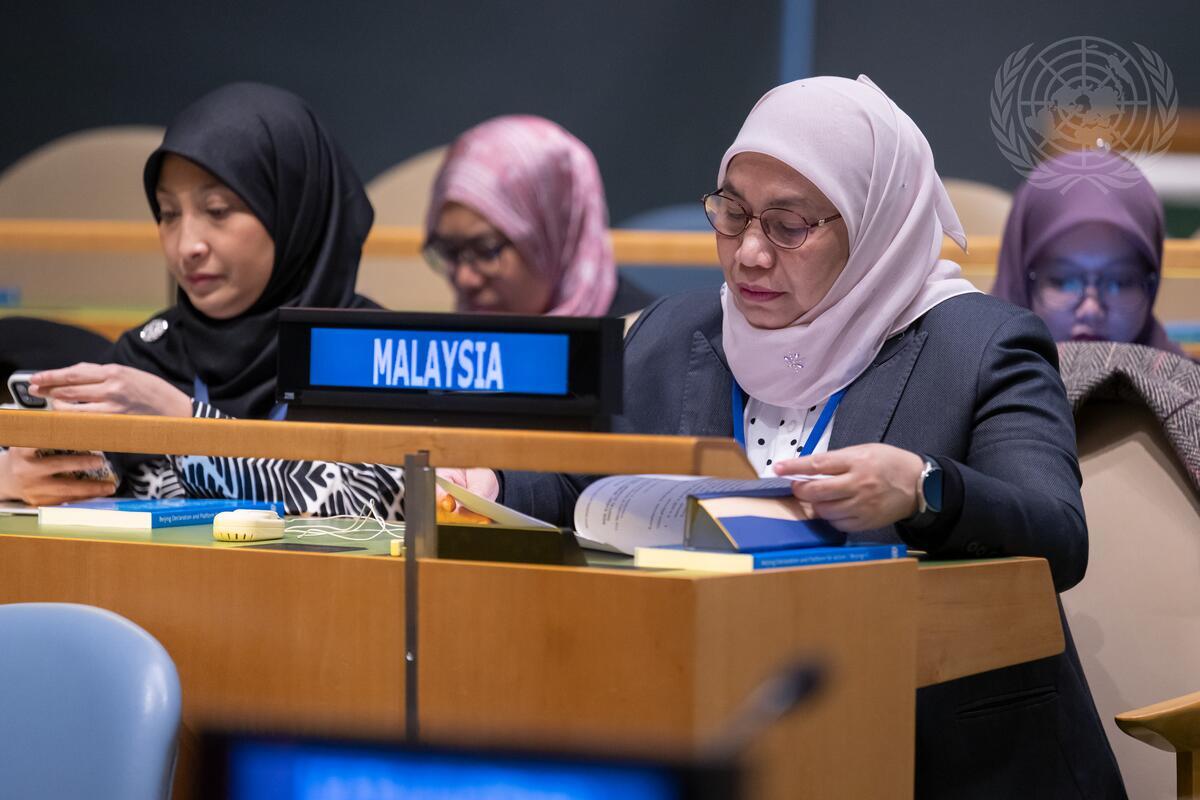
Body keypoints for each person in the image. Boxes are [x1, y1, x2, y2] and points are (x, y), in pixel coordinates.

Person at [476, 76, 1125, 797]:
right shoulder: (673, 332)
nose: (749, 253)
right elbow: (582, 483)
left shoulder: (983, 347)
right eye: (732, 214)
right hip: (718, 738)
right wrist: (490, 485)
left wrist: (921, 488)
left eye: (788, 226)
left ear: (873, 223)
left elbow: (1058, 535)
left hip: (946, 761)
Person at [0, 83, 404, 518]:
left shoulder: (377, 355)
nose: (186, 245)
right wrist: (14, 475)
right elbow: (77, 488)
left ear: (293, 211)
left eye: (217, 210)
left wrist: (184, 421)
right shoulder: (148, 355)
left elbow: (388, 505)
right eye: (168, 214)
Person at [423, 114, 652, 318]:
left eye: (485, 249)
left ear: (557, 234)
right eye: (449, 251)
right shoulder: (460, 345)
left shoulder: (644, 345)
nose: (464, 279)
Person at [993, 149, 1185, 356]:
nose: (1091, 311)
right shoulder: (973, 374)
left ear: (1151, 286)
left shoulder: (1183, 376)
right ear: (1021, 282)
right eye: (1062, 282)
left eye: (1119, 283)